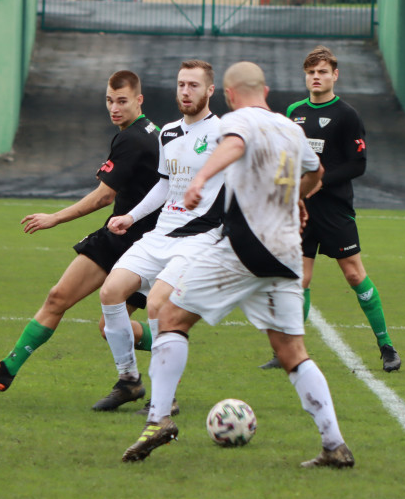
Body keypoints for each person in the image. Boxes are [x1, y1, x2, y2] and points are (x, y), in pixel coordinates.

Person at [122, 62, 355, 469]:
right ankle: (334, 444)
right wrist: (298, 198)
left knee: (171, 318)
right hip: (285, 252)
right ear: (265, 89)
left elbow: (234, 146)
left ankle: (158, 419)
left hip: (244, 246)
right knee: (291, 350)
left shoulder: (240, 120)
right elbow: (317, 173)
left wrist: (199, 179)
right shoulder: (290, 127)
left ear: (229, 94)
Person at [0, 71, 161, 396]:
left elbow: (104, 196)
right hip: (131, 239)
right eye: (109, 100)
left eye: (122, 101)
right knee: (80, 311)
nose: (114, 108)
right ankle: (7, 370)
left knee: (90, 316)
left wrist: (54, 218)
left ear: (139, 100)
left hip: (136, 243)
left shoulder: (132, 138)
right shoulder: (148, 131)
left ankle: (169, 343)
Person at [259, 45, 401, 373]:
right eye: (311, 72)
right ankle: (289, 351)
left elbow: (358, 164)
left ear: (335, 75)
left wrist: (322, 180)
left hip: (335, 210)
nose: (316, 77)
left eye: (322, 72)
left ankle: (386, 346)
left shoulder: (347, 114)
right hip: (302, 210)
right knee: (301, 280)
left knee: (354, 274)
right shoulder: (294, 111)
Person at [96, 60, 224, 414]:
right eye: (181, 84)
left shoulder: (223, 133)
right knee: (110, 293)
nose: (185, 92)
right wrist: (130, 216)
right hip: (162, 231)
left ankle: (164, 398)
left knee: (157, 305)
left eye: (194, 86)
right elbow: (165, 186)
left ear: (210, 91)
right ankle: (128, 380)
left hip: (200, 236)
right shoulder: (168, 132)